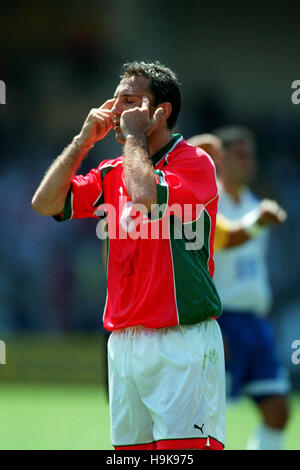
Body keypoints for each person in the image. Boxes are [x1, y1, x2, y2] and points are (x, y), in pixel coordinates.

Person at [32, 61, 226, 450]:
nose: (118, 110)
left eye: (130, 100)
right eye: (116, 99)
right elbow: (44, 202)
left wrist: (134, 136)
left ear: (162, 112)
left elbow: (144, 192)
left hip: (181, 340)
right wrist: (83, 140)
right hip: (123, 344)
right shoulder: (110, 172)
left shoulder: (194, 163)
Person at [190, 128, 290, 450]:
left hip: (254, 322)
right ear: (221, 160)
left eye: (251, 155)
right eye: (240, 154)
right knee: (205, 415)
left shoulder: (256, 204)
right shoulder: (208, 203)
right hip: (222, 321)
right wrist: (211, 324)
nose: (248, 162)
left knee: (277, 409)